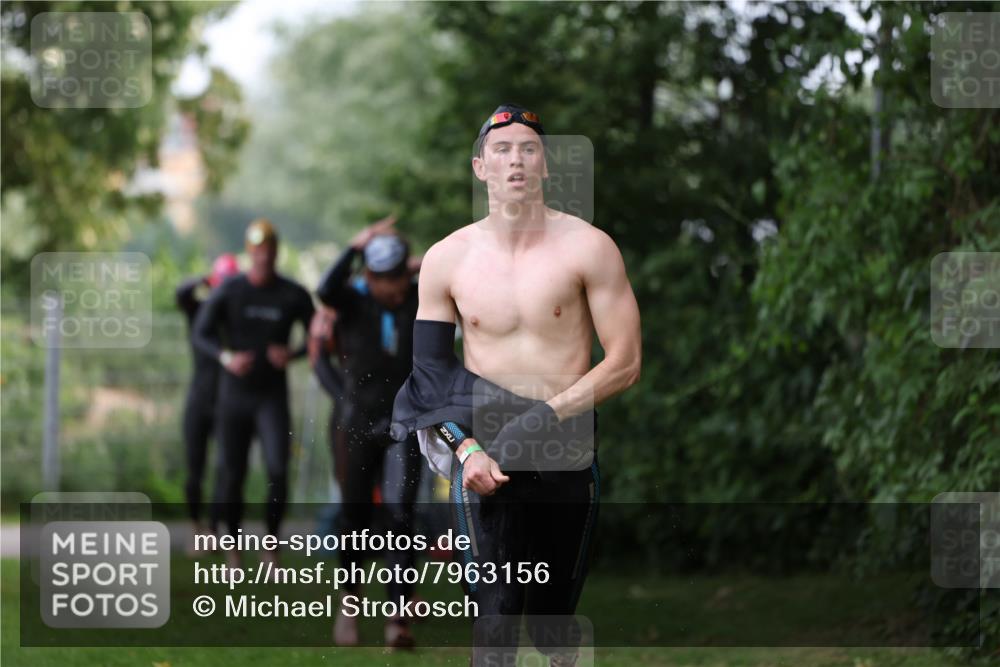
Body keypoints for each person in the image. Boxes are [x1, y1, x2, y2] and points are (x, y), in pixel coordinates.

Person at [391, 104, 642, 666]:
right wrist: (465, 448)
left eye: (529, 149)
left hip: (566, 450)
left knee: (554, 627)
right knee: (495, 625)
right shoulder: (446, 259)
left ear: (546, 164)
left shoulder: (589, 247)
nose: (516, 160)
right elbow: (430, 375)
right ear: (480, 167)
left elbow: (625, 361)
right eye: (501, 150)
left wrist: (545, 416)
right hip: (485, 457)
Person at [313, 217, 423, 649]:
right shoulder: (353, 301)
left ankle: (398, 617)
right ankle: (349, 605)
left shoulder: (420, 298)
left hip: (403, 422)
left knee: (400, 513)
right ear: (370, 277)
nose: (390, 289)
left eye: (397, 279)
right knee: (354, 516)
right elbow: (325, 288)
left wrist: (421, 266)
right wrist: (356, 246)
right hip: (355, 422)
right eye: (381, 279)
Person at [193, 219, 315, 567]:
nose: (264, 257)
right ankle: (233, 549)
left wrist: (292, 354)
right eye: (258, 251)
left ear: (276, 252)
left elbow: (318, 337)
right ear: (250, 252)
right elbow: (201, 333)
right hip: (234, 395)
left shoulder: (292, 294)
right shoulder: (230, 290)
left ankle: (271, 548)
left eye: (269, 251)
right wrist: (226, 357)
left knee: (278, 470)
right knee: (231, 473)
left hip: (271, 396)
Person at [175, 253, 240, 553]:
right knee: (195, 470)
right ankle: (195, 526)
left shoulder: (238, 318)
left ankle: (213, 530)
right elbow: (181, 293)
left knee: (225, 469)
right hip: (199, 399)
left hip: (228, 401)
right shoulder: (199, 312)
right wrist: (204, 278)